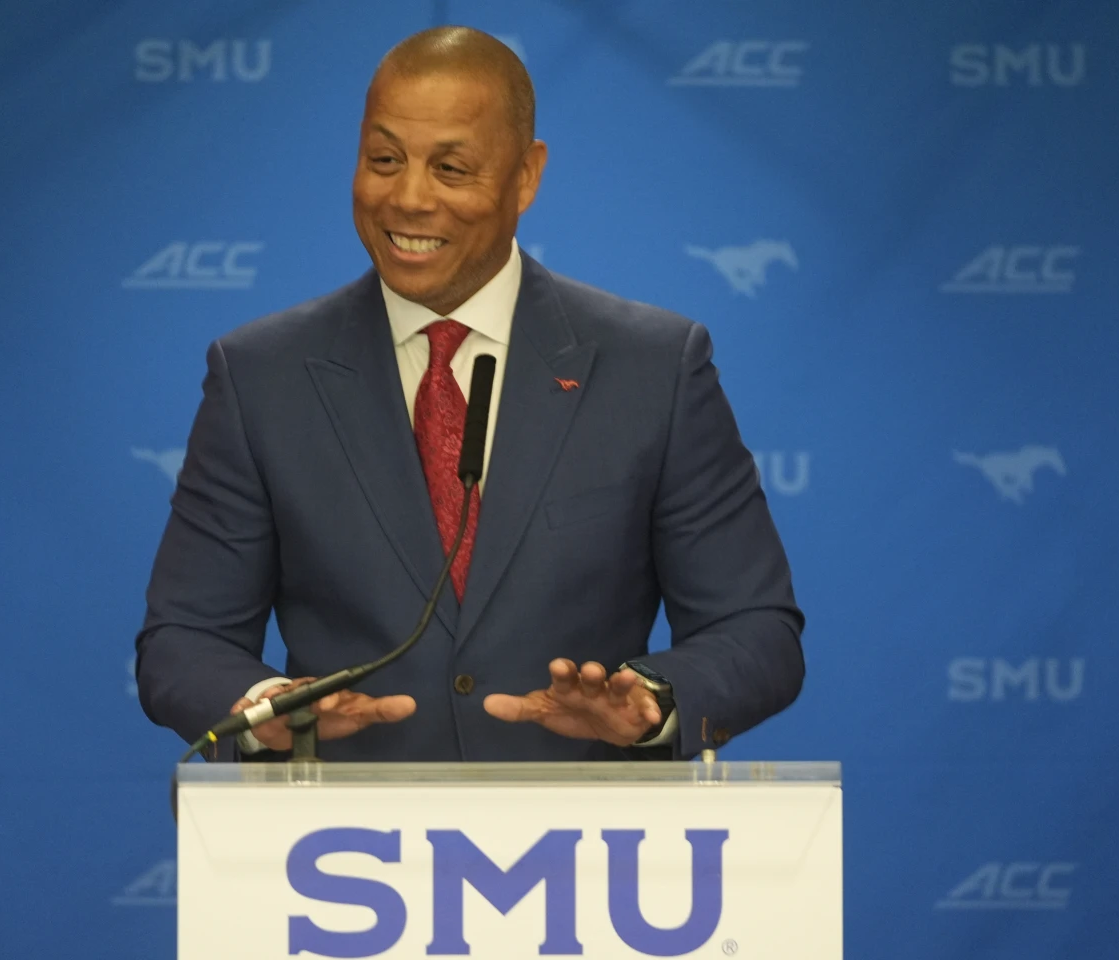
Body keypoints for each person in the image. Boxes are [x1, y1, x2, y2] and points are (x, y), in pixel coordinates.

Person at [134, 26, 804, 762]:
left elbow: (756, 630)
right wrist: (265, 708)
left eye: (451, 168)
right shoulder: (261, 375)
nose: (409, 198)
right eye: (384, 160)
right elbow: (183, 640)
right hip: (340, 833)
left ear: (526, 176)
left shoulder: (654, 368)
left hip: (589, 830)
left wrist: (650, 700)